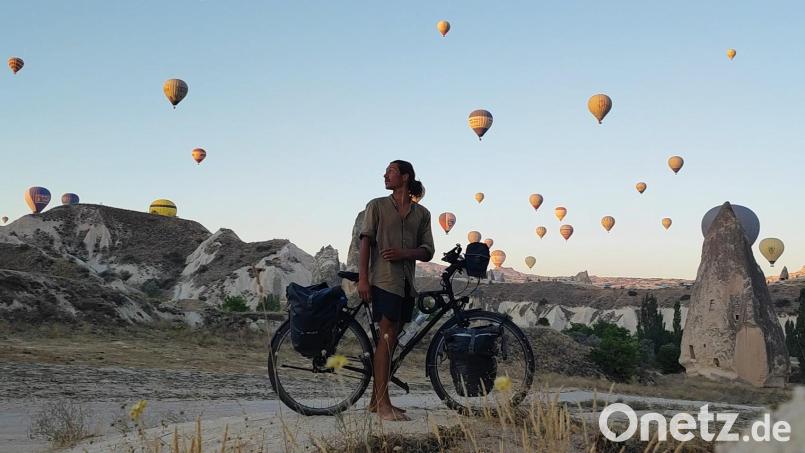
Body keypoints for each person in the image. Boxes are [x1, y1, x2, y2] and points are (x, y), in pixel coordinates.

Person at [358, 160, 434, 421]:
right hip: (383, 280)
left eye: (390, 171)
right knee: (387, 338)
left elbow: (427, 250)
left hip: (406, 284)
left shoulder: (422, 214)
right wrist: (363, 279)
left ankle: (374, 401)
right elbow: (365, 241)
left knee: (390, 342)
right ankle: (383, 405)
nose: (384, 175)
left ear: (405, 176)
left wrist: (404, 253)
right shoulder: (376, 206)